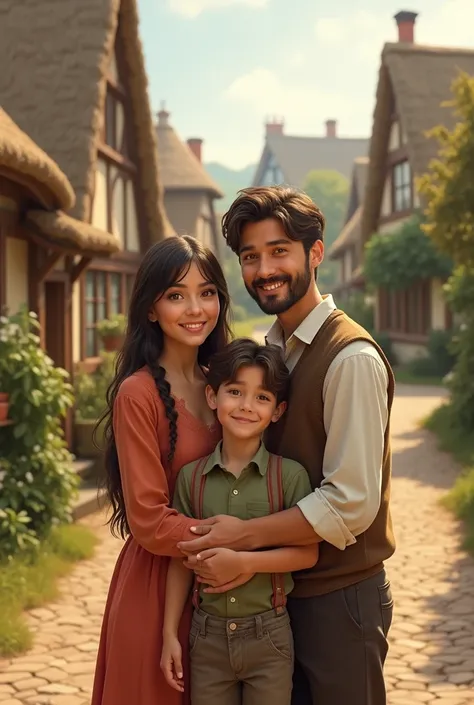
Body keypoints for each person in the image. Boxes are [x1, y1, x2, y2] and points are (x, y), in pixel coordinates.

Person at [178, 186, 396, 705]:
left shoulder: (351, 359)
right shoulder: (272, 352)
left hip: (341, 598)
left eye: (279, 251)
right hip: (279, 600)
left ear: (315, 253)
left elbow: (350, 502)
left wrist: (245, 541)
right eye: (250, 257)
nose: (263, 269)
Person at [91, 235, 231, 705]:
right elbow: (149, 521)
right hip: (156, 590)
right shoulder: (139, 394)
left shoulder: (227, 384)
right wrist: (236, 538)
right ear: (151, 309)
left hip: (224, 589)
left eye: (207, 292)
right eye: (176, 295)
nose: (195, 308)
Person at [161, 338, 318, 705]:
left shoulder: (290, 477)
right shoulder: (190, 478)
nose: (247, 406)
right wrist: (170, 632)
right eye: (235, 392)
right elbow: (180, 561)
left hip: (270, 636)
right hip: (207, 638)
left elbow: (307, 553)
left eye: (262, 397)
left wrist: (246, 563)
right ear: (213, 397)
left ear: (277, 411)